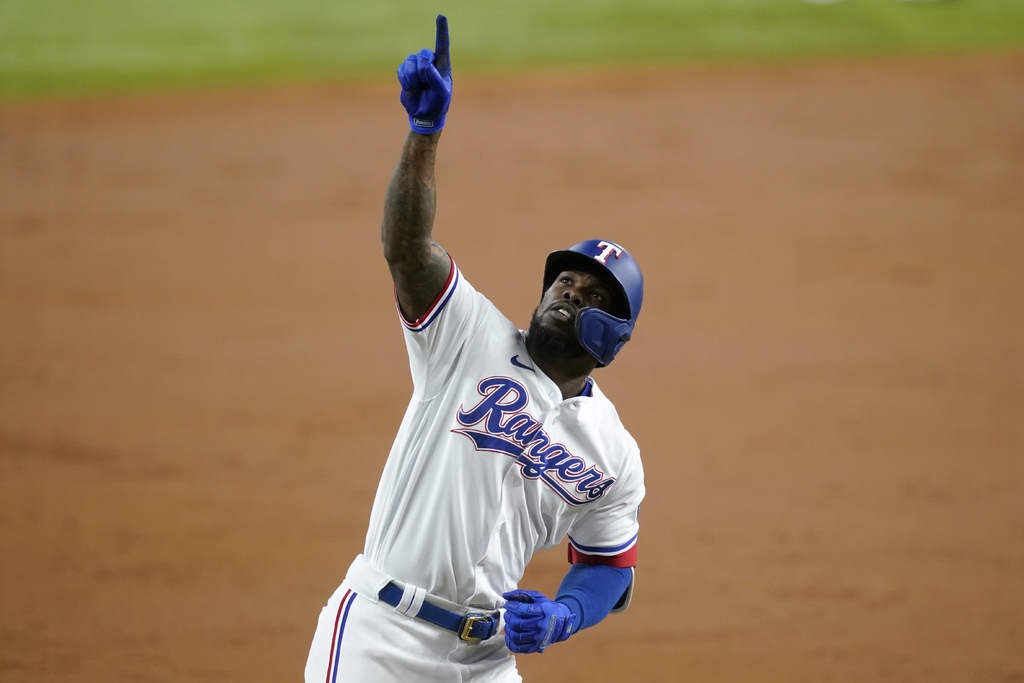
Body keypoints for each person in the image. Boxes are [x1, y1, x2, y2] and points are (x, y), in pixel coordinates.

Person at [304, 15, 646, 682]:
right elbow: (406, 249)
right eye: (566, 279)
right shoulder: (468, 334)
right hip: (383, 636)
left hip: (487, 661)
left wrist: (561, 617)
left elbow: (608, 566)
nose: (569, 291)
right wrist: (423, 137)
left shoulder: (614, 453)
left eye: (592, 294)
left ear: (615, 337)